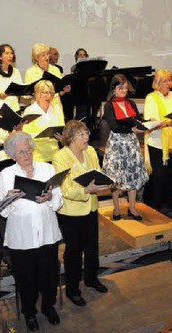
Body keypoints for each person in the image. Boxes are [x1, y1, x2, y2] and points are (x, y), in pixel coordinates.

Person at [0, 132, 64, 330]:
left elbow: (59, 203)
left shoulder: (47, 168)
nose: (26, 155)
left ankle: (48, 307)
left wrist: (50, 197)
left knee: (49, 275)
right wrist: (9, 198)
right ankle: (29, 313)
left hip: (48, 234)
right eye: (20, 152)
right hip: (21, 238)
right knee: (26, 278)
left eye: (28, 150)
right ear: (12, 155)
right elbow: (1, 210)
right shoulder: (6, 174)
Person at [53, 120, 110, 307]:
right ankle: (72, 289)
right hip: (71, 212)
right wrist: (86, 190)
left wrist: (105, 182)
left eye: (87, 133)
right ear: (70, 138)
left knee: (93, 247)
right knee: (74, 252)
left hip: (91, 207)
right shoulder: (60, 157)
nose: (87, 137)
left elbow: (98, 173)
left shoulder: (91, 151)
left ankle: (92, 279)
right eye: (82, 135)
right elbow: (64, 188)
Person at [142, 69, 172, 214]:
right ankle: (155, 206)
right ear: (157, 83)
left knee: (171, 176)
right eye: (165, 81)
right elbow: (150, 121)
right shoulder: (151, 97)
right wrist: (168, 123)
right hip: (157, 142)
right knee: (158, 176)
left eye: (170, 80)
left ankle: (171, 204)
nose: (169, 83)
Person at [102, 74, 149, 220]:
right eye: (120, 87)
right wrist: (132, 129)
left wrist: (149, 123)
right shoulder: (109, 105)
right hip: (117, 144)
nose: (123, 90)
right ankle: (116, 208)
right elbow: (114, 127)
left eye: (125, 87)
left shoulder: (131, 103)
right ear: (114, 88)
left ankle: (132, 207)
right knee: (116, 177)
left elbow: (138, 121)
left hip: (132, 143)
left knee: (133, 174)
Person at [22, 80, 64, 162]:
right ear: (38, 94)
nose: (49, 96)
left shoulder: (57, 108)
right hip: (37, 156)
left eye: (51, 93)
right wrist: (44, 136)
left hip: (55, 155)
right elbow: (25, 135)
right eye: (45, 93)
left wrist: (60, 137)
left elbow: (62, 129)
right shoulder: (30, 110)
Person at [0, 44, 23, 112]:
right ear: (0, 56)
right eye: (7, 53)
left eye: (12, 53)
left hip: (15, 108)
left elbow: (20, 89)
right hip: (0, 109)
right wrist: (0, 96)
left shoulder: (16, 71)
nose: (10, 56)